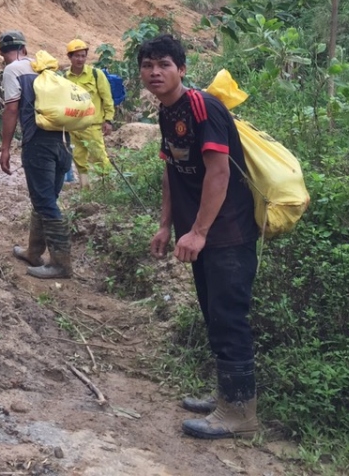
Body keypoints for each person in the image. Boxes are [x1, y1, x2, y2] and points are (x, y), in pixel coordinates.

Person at [140, 34, 261, 439]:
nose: (155, 72)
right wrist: (165, 225)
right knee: (214, 313)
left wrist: (199, 231)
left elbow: (220, 171)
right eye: (147, 65)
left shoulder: (202, 107)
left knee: (228, 316)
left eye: (164, 64)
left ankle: (241, 413)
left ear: (182, 69)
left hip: (228, 232)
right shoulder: (165, 111)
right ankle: (228, 397)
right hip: (202, 233)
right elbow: (171, 171)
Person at [0, 30, 74, 279]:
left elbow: (11, 109)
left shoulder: (12, 70)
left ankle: (61, 264)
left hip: (38, 143)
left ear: (2, 53)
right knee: (46, 198)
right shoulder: (44, 68)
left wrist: (6, 148)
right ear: (25, 49)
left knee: (45, 202)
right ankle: (33, 251)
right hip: (64, 141)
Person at [63, 39, 115, 187]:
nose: (80, 59)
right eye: (76, 56)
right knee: (78, 158)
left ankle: (109, 188)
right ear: (70, 57)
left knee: (99, 156)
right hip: (74, 126)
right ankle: (85, 189)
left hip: (92, 125)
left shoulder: (96, 74)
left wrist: (109, 120)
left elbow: (107, 98)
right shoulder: (65, 78)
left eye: (83, 55)